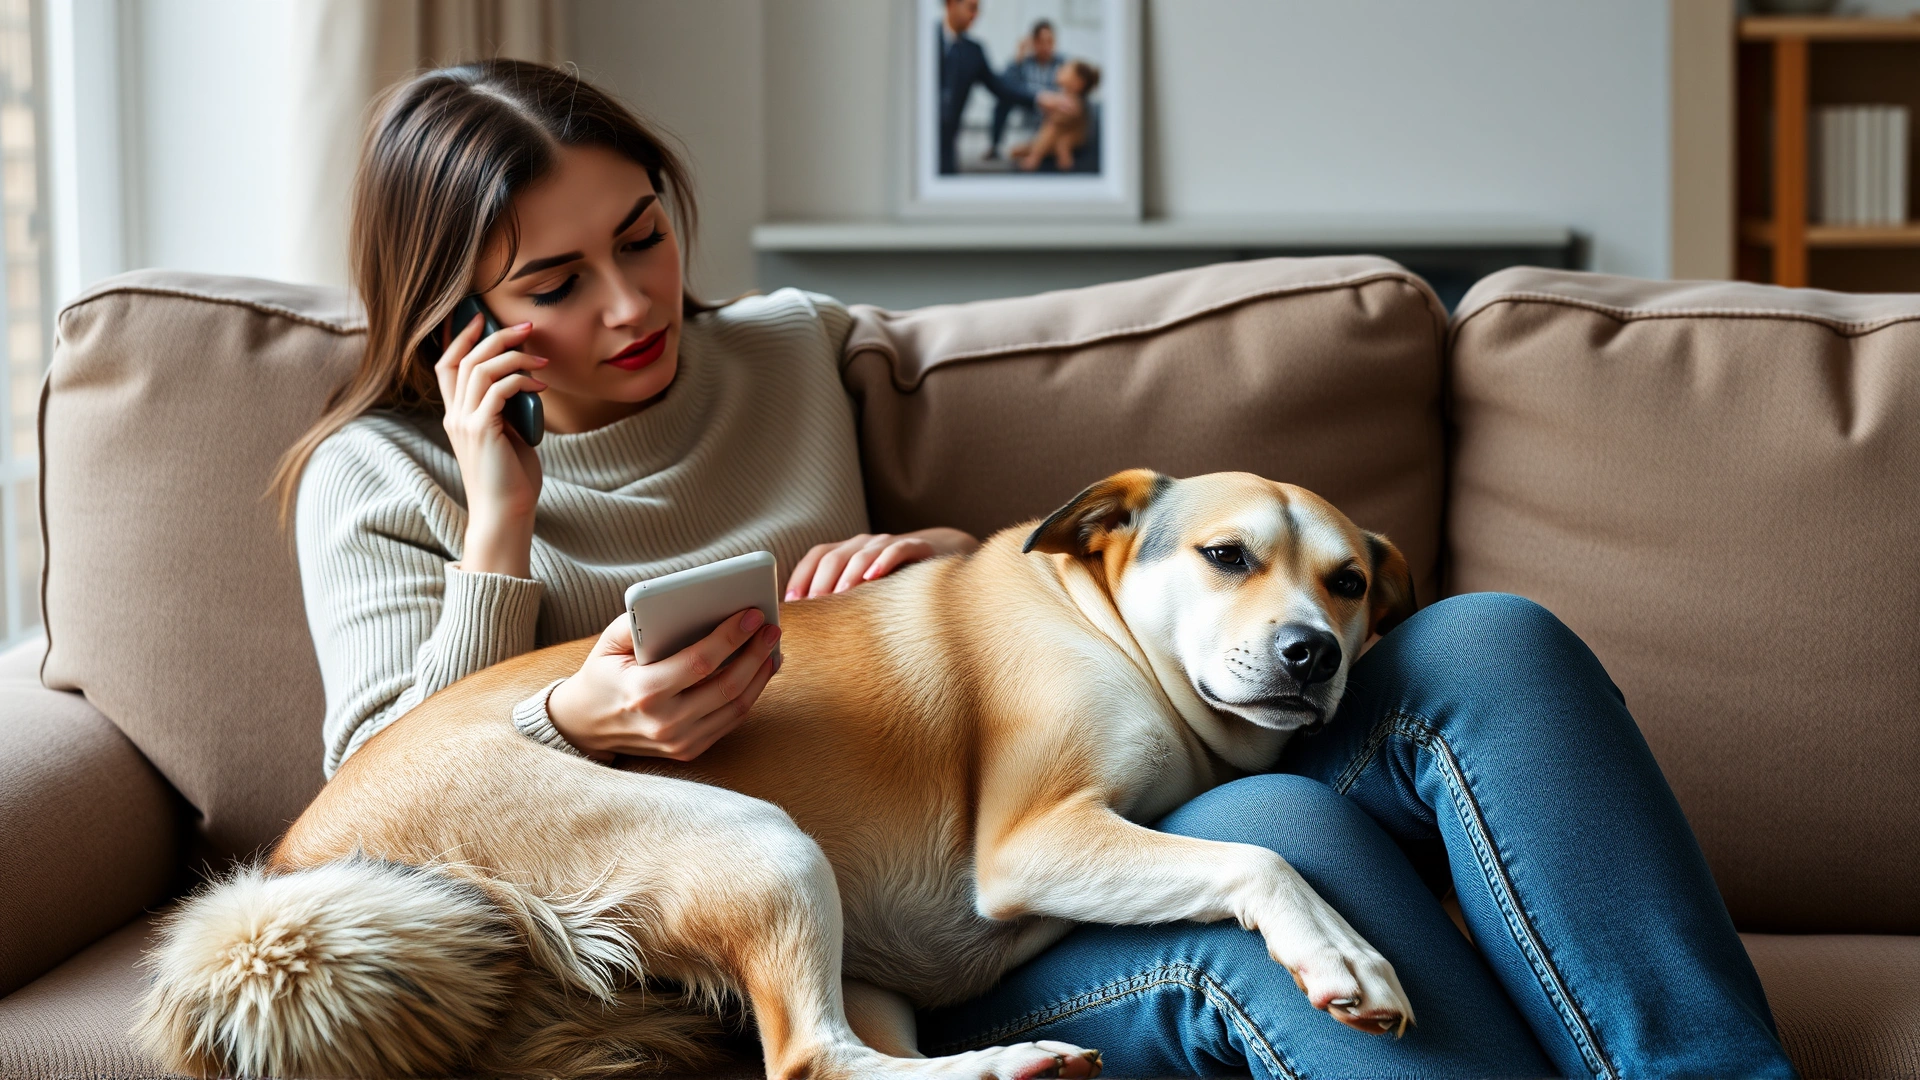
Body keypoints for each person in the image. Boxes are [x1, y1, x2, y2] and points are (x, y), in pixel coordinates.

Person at [281, 58, 1798, 1080]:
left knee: (1490, 650)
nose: (631, 305)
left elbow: (980, 623)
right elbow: (378, 802)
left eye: (645, 236)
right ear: (452, 316)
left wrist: (945, 560)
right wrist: (503, 532)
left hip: (984, 811)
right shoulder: (382, 475)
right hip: (807, 939)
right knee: (1266, 840)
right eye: (555, 284)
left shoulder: (791, 350)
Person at [936, 0, 1066, 174]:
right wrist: (1018, 59)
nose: (976, 15)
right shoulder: (922, 41)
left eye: (978, 9)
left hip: (947, 142)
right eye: (971, 8)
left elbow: (1000, 86)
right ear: (951, 4)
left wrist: (1038, 97)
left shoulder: (973, 51)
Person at [986, 19, 1061, 161]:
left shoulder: (1062, 63)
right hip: (1029, 105)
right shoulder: (1024, 62)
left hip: (1052, 109)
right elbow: (1004, 85)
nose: (1046, 47)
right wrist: (1018, 58)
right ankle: (995, 146)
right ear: (1034, 42)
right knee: (1003, 100)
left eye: (1050, 41)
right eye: (1041, 41)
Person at [1010, 59, 1098, 173]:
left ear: (1078, 83)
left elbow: (1065, 119)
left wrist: (1054, 115)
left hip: (1071, 137)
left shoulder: (1075, 101)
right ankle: (1034, 151)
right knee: (1018, 149)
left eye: (1065, 71)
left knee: (1054, 131)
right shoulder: (1060, 96)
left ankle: (1035, 159)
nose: (1059, 71)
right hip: (1053, 139)